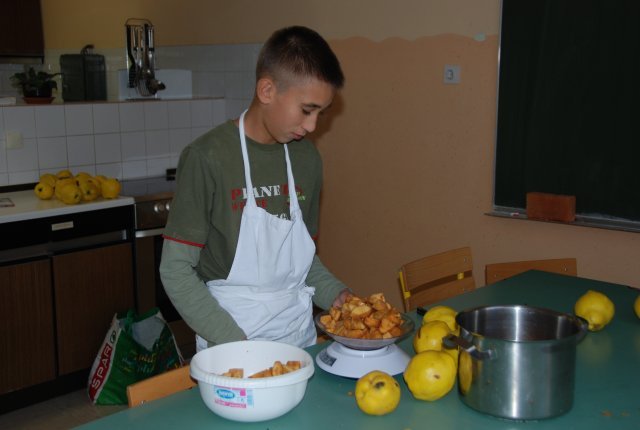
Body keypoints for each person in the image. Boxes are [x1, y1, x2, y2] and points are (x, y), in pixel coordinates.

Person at [159, 26, 351, 352]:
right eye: (307, 110)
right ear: (267, 91)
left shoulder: (307, 159)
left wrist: (339, 297)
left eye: (321, 113)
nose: (312, 126)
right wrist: (237, 345)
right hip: (230, 341)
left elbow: (302, 261)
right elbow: (175, 270)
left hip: (299, 338)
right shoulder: (208, 157)